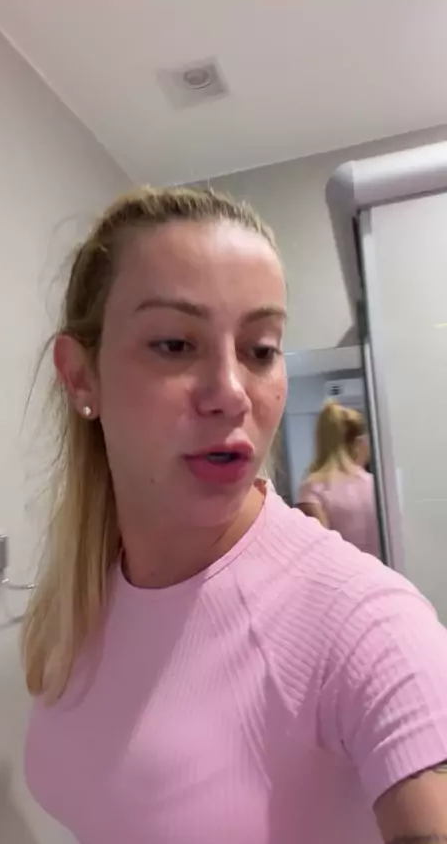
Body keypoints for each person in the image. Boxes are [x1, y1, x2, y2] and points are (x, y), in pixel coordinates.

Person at [23, 187, 447, 844]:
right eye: (174, 344)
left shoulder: (367, 622)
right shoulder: (78, 601)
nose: (230, 392)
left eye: (261, 349)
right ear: (81, 377)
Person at [297, 400, 381, 557]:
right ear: (359, 442)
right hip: (384, 570)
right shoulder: (376, 485)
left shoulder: (313, 489)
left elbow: (319, 551)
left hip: (342, 570)